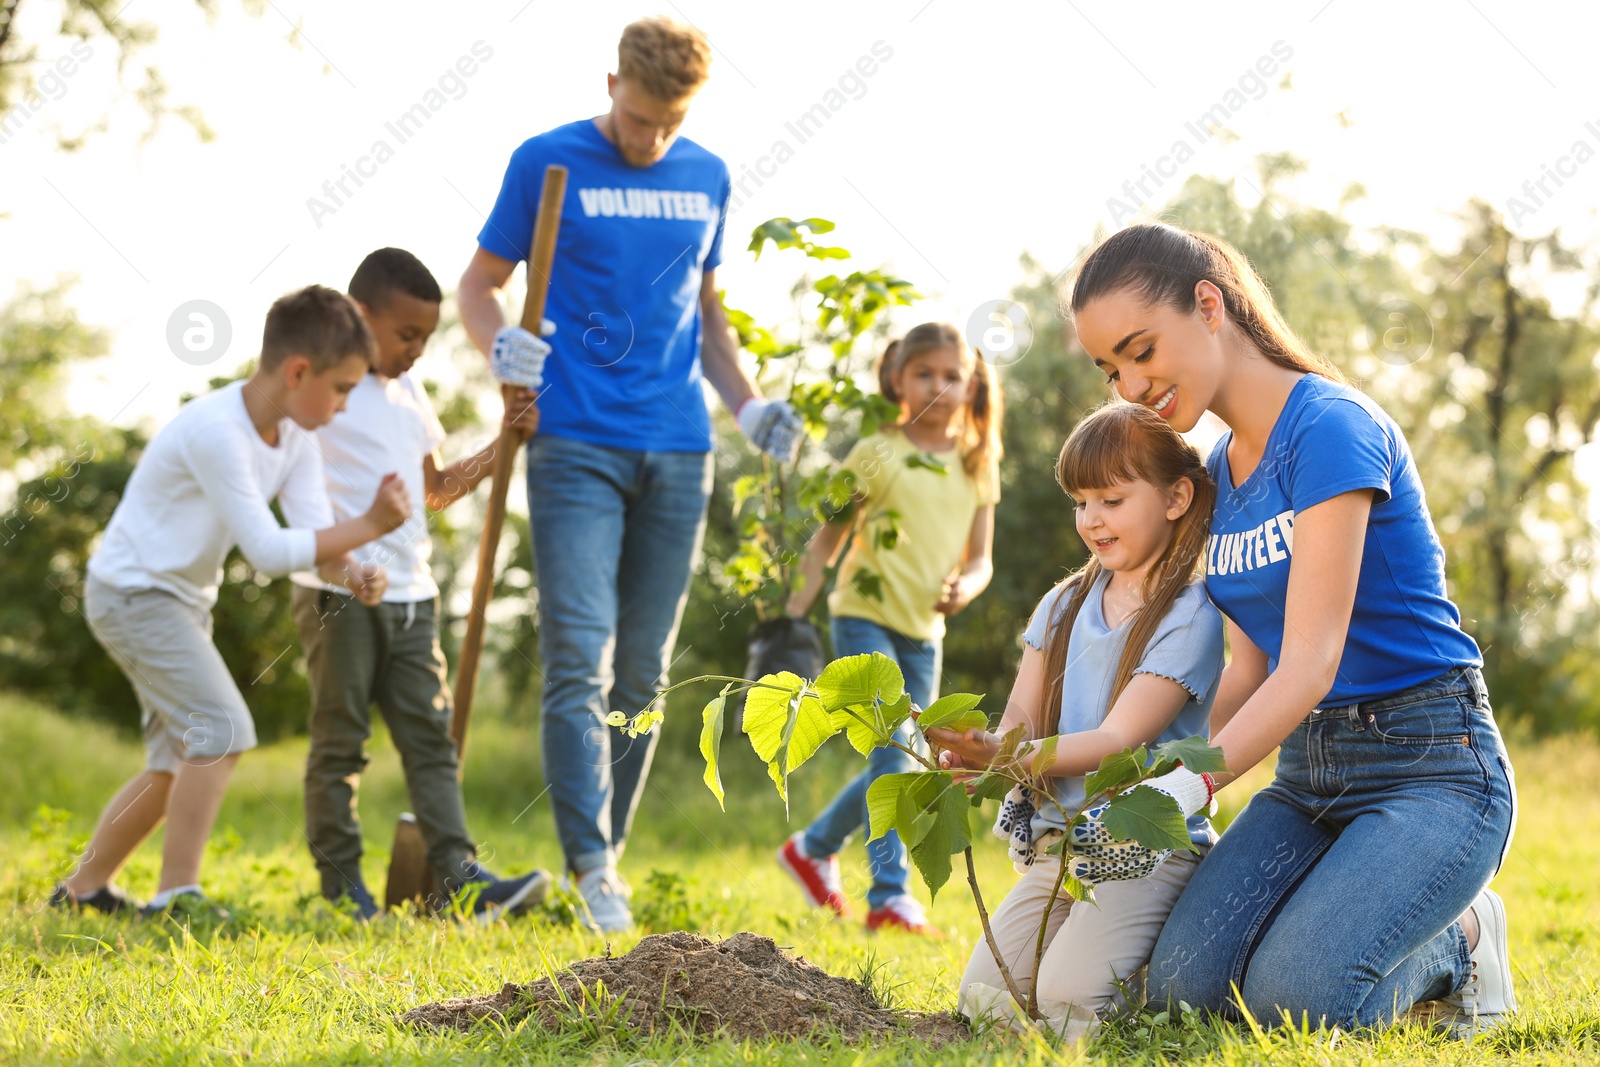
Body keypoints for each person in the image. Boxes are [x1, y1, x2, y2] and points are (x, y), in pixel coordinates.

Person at [1062, 223, 1517, 1034]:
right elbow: (1248, 666)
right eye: (1110, 369)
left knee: (1295, 1002)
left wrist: (1191, 785)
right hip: (1309, 773)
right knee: (1186, 990)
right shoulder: (1214, 473)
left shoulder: (1330, 428)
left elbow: (1310, 662)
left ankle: (1466, 938)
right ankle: (1345, 913)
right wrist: (1154, 777)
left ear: (1209, 304)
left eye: (1140, 349)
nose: (1130, 383)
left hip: (1431, 764)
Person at [457, 17, 802, 933]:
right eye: (641, 118)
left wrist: (750, 406)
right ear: (610, 83)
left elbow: (709, 315)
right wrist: (504, 348)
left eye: (669, 124)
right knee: (579, 655)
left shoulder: (708, 175)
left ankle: (603, 849)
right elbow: (477, 285)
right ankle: (593, 865)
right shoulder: (546, 161)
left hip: (679, 446)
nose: (652, 140)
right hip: (572, 440)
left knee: (644, 675)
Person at [52, 286, 411, 917]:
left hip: (179, 602)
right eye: (344, 388)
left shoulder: (296, 436)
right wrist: (373, 525)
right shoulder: (217, 431)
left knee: (174, 762)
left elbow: (315, 539)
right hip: (134, 594)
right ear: (298, 371)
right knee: (218, 731)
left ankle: (79, 893)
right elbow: (271, 552)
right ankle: (177, 895)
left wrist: (353, 571)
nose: (347, 404)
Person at [930, 401, 1223, 1040]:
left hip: (1144, 850)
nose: (1091, 520)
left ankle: (1157, 968)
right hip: (1057, 848)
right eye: (1081, 502)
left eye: (1111, 501)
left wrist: (1004, 755)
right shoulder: (1064, 603)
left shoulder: (1190, 617)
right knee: (984, 1002)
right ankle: (1095, 952)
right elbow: (1019, 717)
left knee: (1069, 1004)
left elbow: (1116, 741)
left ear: (1177, 497)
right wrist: (979, 757)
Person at [283, 248, 550, 922]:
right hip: (338, 591)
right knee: (341, 741)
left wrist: (502, 444)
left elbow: (434, 490)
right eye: (407, 335)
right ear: (359, 316)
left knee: (431, 739)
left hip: (412, 594)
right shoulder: (322, 392)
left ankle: (459, 877)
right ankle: (343, 889)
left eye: (428, 338)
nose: (418, 351)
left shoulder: (410, 392)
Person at [776, 322, 1002, 934]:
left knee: (907, 755)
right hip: (861, 616)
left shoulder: (978, 460)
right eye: (924, 373)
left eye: (951, 376)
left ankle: (813, 846)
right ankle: (888, 895)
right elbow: (828, 538)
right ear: (898, 379)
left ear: (971, 384)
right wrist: (794, 613)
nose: (938, 386)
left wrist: (969, 585)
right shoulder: (878, 451)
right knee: (890, 746)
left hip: (925, 630)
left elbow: (980, 557)